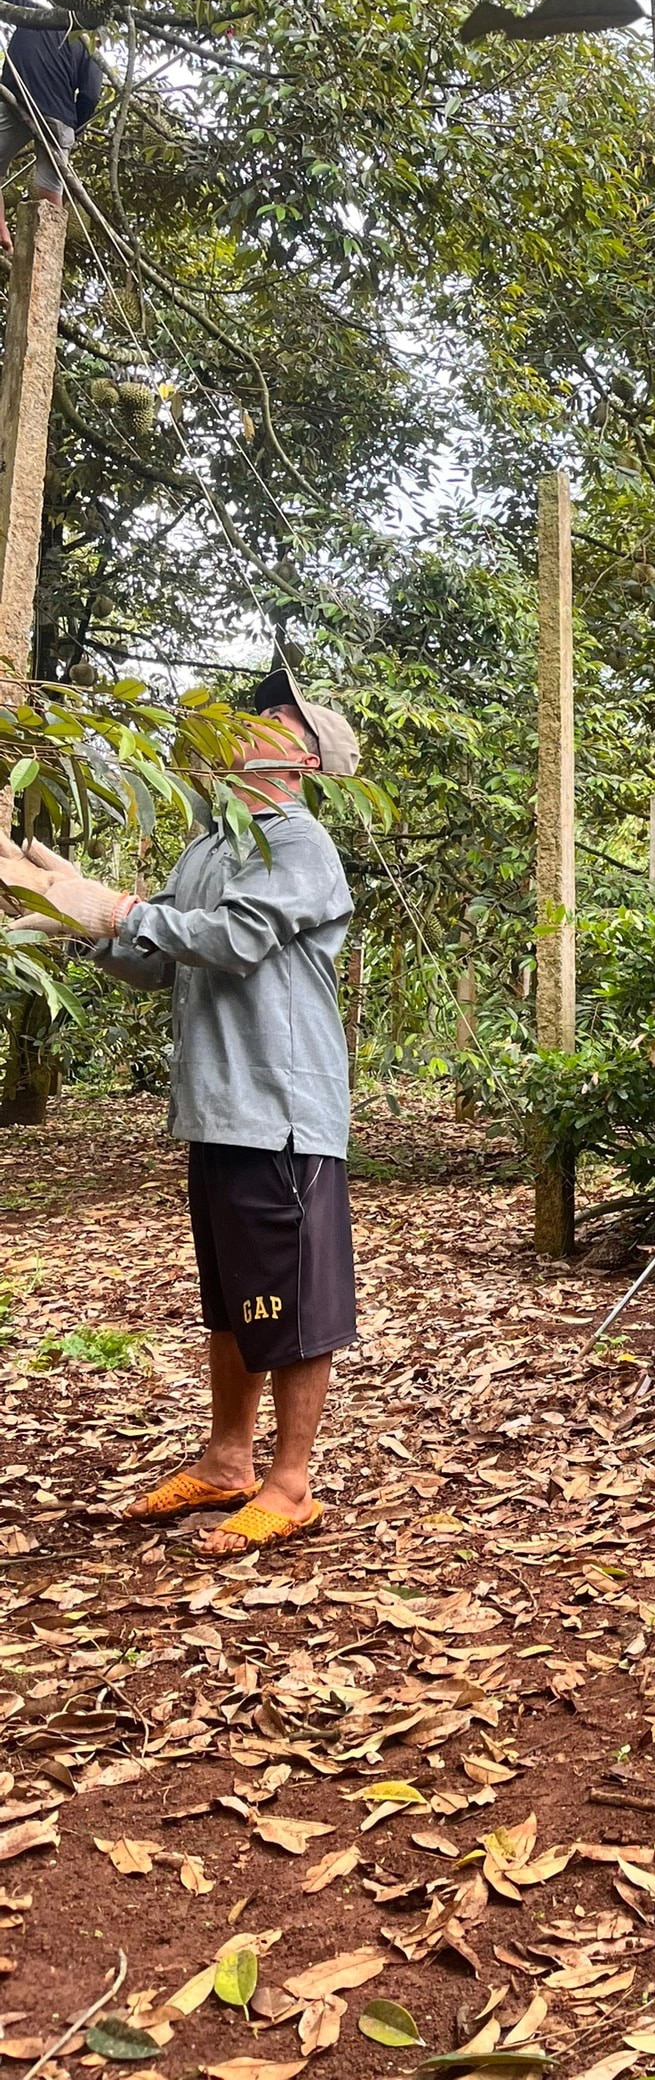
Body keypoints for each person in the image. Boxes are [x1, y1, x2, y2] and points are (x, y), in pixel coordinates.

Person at [0, 667, 359, 1556]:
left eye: (281, 716)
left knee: (293, 1298)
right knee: (235, 1299)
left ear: (306, 758)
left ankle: (290, 1482)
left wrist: (116, 906)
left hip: (280, 1105)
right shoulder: (210, 846)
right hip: (214, 1105)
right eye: (262, 705)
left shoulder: (298, 839)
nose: (257, 719)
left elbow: (235, 940)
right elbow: (161, 960)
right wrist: (75, 919)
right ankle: (229, 1461)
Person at [0, 21, 104, 254]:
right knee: (49, 189)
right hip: (56, 117)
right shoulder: (89, 44)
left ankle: (2, 231)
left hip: (14, 100)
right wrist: (77, 127)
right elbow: (91, 94)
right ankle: (48, 254)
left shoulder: (35, 14)